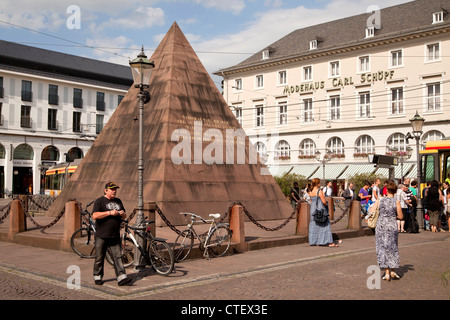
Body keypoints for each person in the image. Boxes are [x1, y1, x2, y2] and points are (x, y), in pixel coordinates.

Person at [92, 182, 132, 286]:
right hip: (101, 235)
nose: (114, 191)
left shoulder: (118, 201)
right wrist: (109, 213)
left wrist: (123, 214)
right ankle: (97, 276)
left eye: (115, 189)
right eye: (112, 189)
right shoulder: (99, 201)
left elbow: (125, 215)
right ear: (106, 190)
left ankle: (121, 277)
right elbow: (95, 215)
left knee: (118, 257)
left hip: (114, 235)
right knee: (99, 257)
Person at [375, 180, 403, 281]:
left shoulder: (381, 200)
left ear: (386, 190)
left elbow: (372, 210)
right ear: (395, 191)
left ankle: (386, 273)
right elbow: (400, 216)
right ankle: (393, 271)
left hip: (381, 225)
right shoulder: (396, 202)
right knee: (392, 247)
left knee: (383, 247)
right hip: (391, 225)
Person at [307, 178, 339, 247]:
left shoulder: (311, 191)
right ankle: (329, 242)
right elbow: (324, 201)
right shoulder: (319, 191)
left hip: (313, 209)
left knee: (314, 225)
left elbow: (311, 200)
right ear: (318, 183)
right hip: (320, 208)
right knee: (325, 224)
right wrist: (326, 205)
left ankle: (315, 241)